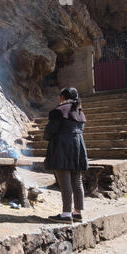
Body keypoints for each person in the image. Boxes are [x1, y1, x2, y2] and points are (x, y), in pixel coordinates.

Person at [44, 87, 88, 224]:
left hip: (63, 146)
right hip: (78, 147)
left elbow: (50, 131)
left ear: (62, 97)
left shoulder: (58, 111)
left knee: (64, 180)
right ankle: (78, 213)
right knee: (77, 180)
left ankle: (66, 214)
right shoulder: (79, 112)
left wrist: (47, 136)